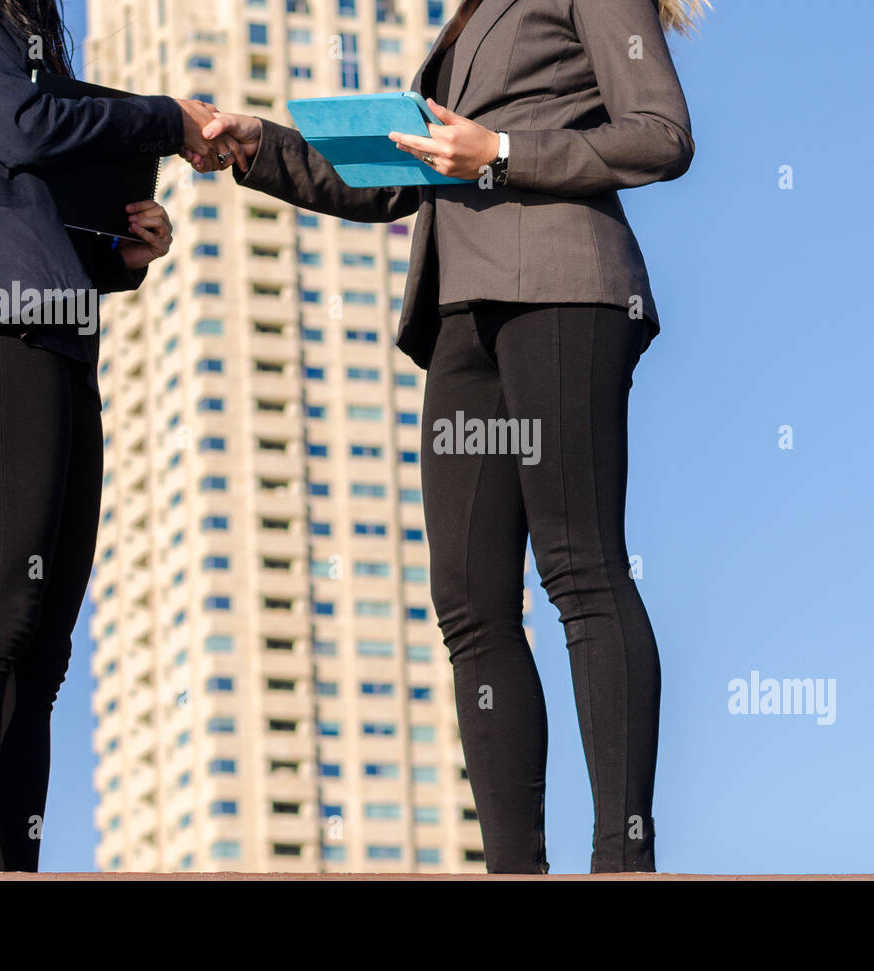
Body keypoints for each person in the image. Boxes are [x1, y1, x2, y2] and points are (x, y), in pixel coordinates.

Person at [194, 0, 702, 872]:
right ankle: (514, 869)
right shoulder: (467, 20)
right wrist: (257, 143)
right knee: (469, 604)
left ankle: (624, 858)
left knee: (580, 567)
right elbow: (395, 178)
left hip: (561, 284)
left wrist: (502, 153)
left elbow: (661, 134)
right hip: (459, 316)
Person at [0, 0, 241, 871]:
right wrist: (167, 117)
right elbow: (27, 128)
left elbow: (35, 191)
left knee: (43, 648)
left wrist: (116, 257)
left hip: (57, 335)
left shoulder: (26, 34)